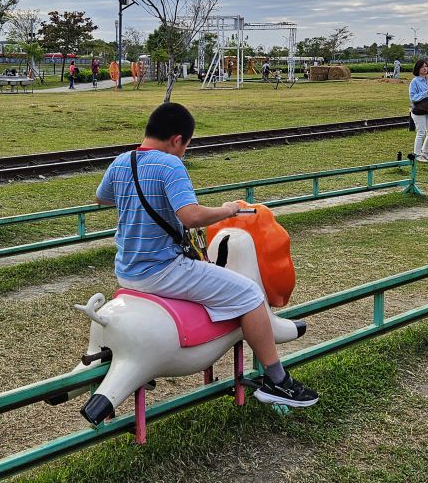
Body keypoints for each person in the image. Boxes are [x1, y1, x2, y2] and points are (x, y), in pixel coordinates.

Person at [95, 102, 319, 408]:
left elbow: (102, 198)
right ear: (177, 139)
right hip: (162, 270)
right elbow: (190, 216)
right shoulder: (170, 165)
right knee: (250, 293)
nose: (184, 151)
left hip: (126, 271)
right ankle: (277, 381)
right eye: (186, 145)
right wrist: (227, 210)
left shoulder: (122, 162)